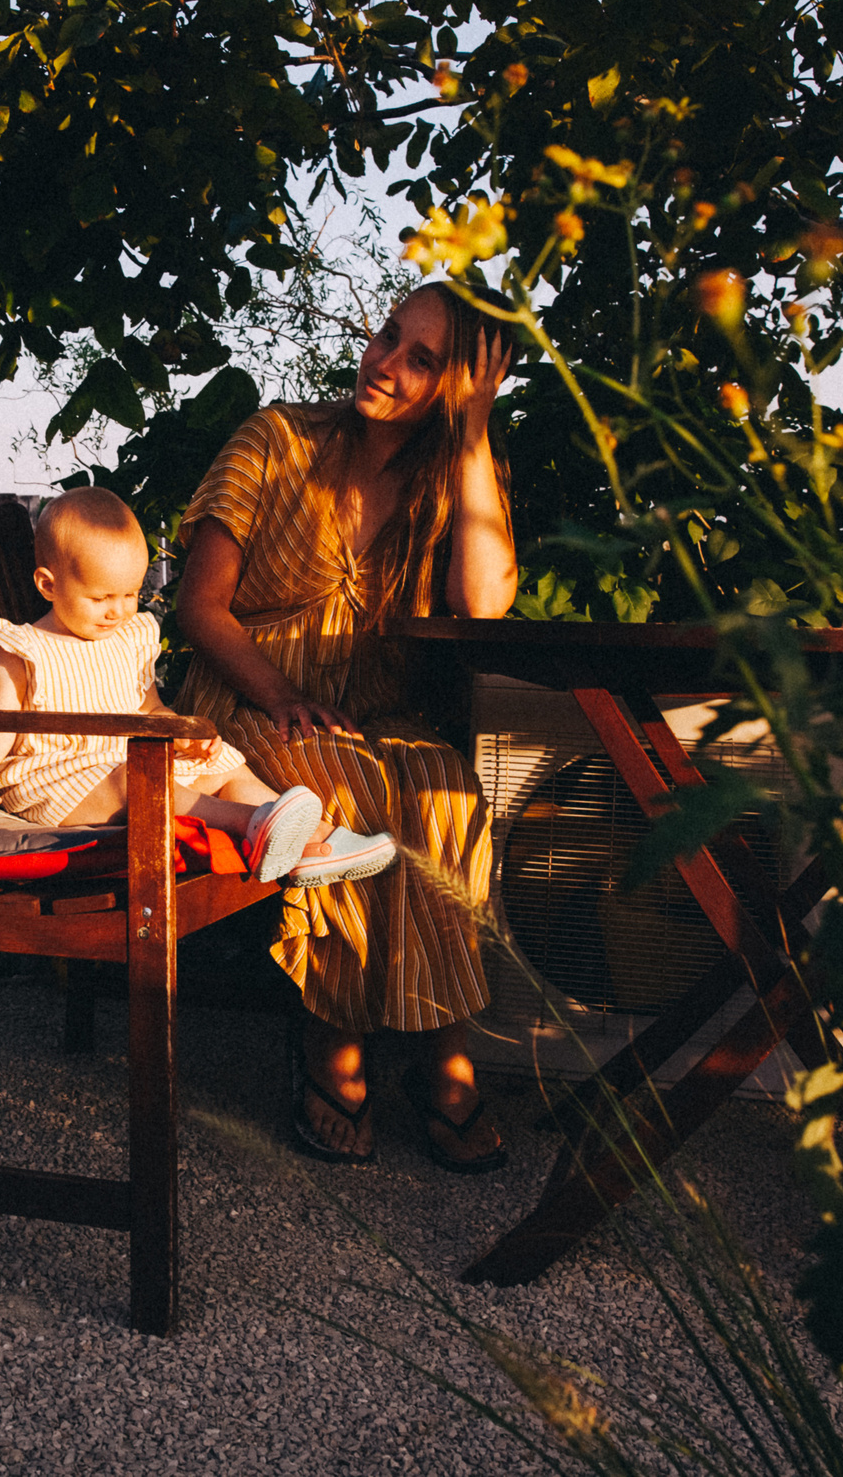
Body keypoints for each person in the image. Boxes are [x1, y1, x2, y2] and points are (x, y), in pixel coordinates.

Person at [171, 280, 518, 1171]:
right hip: (241, 707)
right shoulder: (279, 440)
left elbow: (481, 604)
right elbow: (199, 607)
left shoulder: (452, 480)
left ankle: (431, 1045)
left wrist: (474, 433)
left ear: (458, 386)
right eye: (389, 337)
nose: (386, 362)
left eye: (423, 360)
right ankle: (352, 1048)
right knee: (351, 789)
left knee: (443, 788)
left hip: (374, 716)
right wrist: (279, 691)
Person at [0, 486, 397, 886]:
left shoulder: (129, 636)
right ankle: (256, 826)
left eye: (130, 594)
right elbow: (0, 723)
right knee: (138, 780)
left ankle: (319, 838)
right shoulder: (23, 647)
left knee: (227, 764)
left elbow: (149, 706)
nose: (118, 611)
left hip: (132, 758)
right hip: (64, 781)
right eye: (101, 597)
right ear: (48, 585)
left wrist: (182, 731)